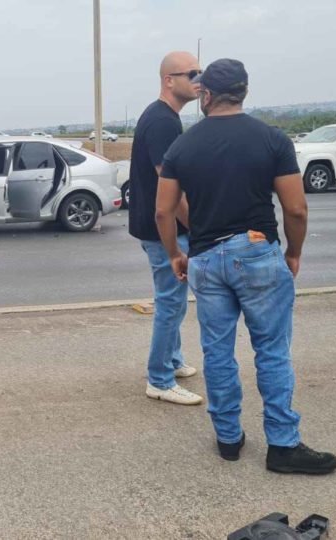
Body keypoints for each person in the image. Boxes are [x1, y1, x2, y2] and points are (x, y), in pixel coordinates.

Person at [155, 58, 336, 474]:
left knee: (217, 352)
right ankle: (283, 446)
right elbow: (296, 207)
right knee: (272, 351)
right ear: (244, 92)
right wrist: (293, 252)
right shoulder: (271, 139)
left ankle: (228, 439)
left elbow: (163, 212)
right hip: (257, 253)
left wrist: (174, 255)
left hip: (204, 257)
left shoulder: (183, 145)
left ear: (206, 95)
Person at [129, 51, 203, 406]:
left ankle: (171, 361)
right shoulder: (162, 121)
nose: (198, 79)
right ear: (168, 80)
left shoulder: (164, 117)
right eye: (191, 73)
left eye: (200, 73)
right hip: (162, 228)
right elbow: (169, 185)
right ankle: (158, 379)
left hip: (158, 226)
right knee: (171, 303)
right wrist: (198, 225)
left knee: (174, 299)